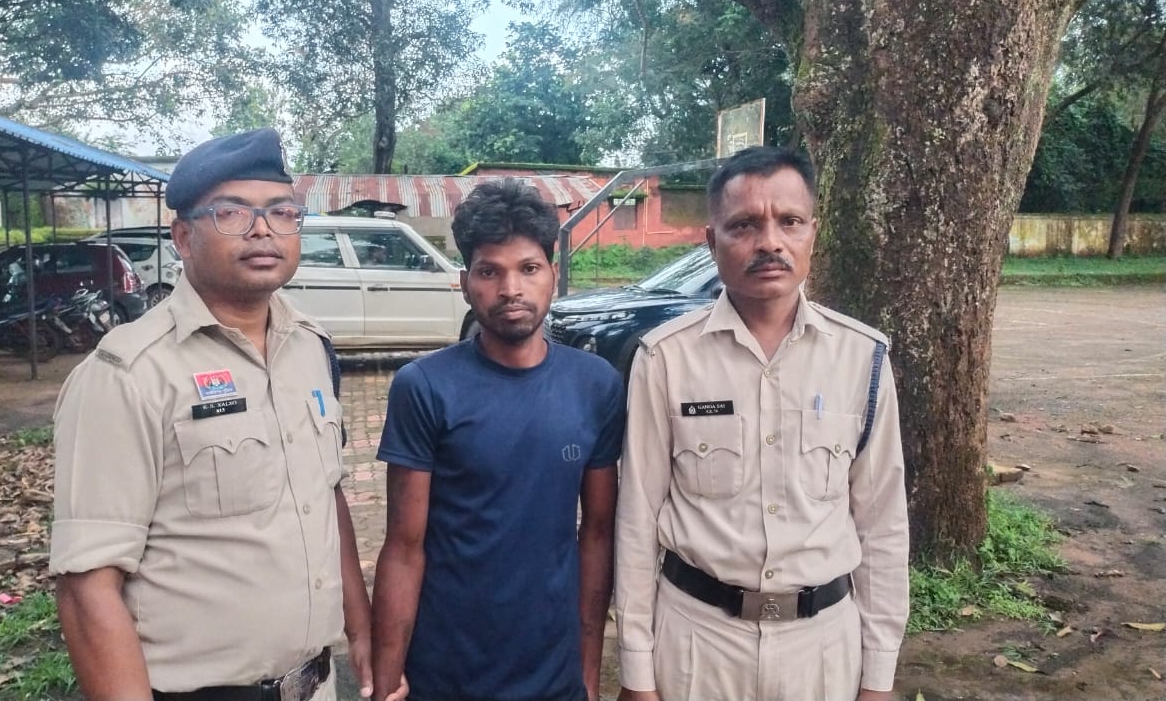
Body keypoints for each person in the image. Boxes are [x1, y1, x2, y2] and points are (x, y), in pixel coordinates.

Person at [49, 128, 375, 701]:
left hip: (315, 685)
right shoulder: (128, 374)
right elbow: (86, 587)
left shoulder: (310, 345)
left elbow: (326, 496)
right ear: (183, 236)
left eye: (282, 212)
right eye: (232, 213)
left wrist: (361, 628)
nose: (262, 230)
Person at [615, 146, 909, 701]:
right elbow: (637, 518)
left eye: (789, 221)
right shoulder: (666, 358)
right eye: (744, 225)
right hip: (698, 644)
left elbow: (883, 524)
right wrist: (637, 670)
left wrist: (878, 675)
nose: (770, 242)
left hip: (823, 650)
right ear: (712, 242)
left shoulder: (862, 359)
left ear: (813, 234)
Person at [371, 179, 626, 701]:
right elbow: (403, 547)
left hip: (553, 670)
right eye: (490, 271)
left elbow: (598, 534)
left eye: (529, 268)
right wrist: (387, 679)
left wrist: (587, 670)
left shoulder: (595, 384)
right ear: (465, 283)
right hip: (446, 670)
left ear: (553, 274)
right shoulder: (424, 386)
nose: (511, 288)